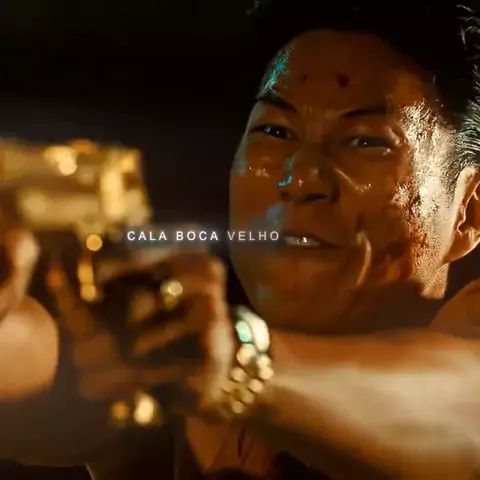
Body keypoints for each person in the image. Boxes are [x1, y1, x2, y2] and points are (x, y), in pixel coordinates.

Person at [1, 1, 480, 478]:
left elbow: (461, 414)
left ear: (470, 213)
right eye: (275, 130)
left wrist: (238, 364)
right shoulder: (177, 351)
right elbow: (45, 360)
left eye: (365, 142)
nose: (300, 177)